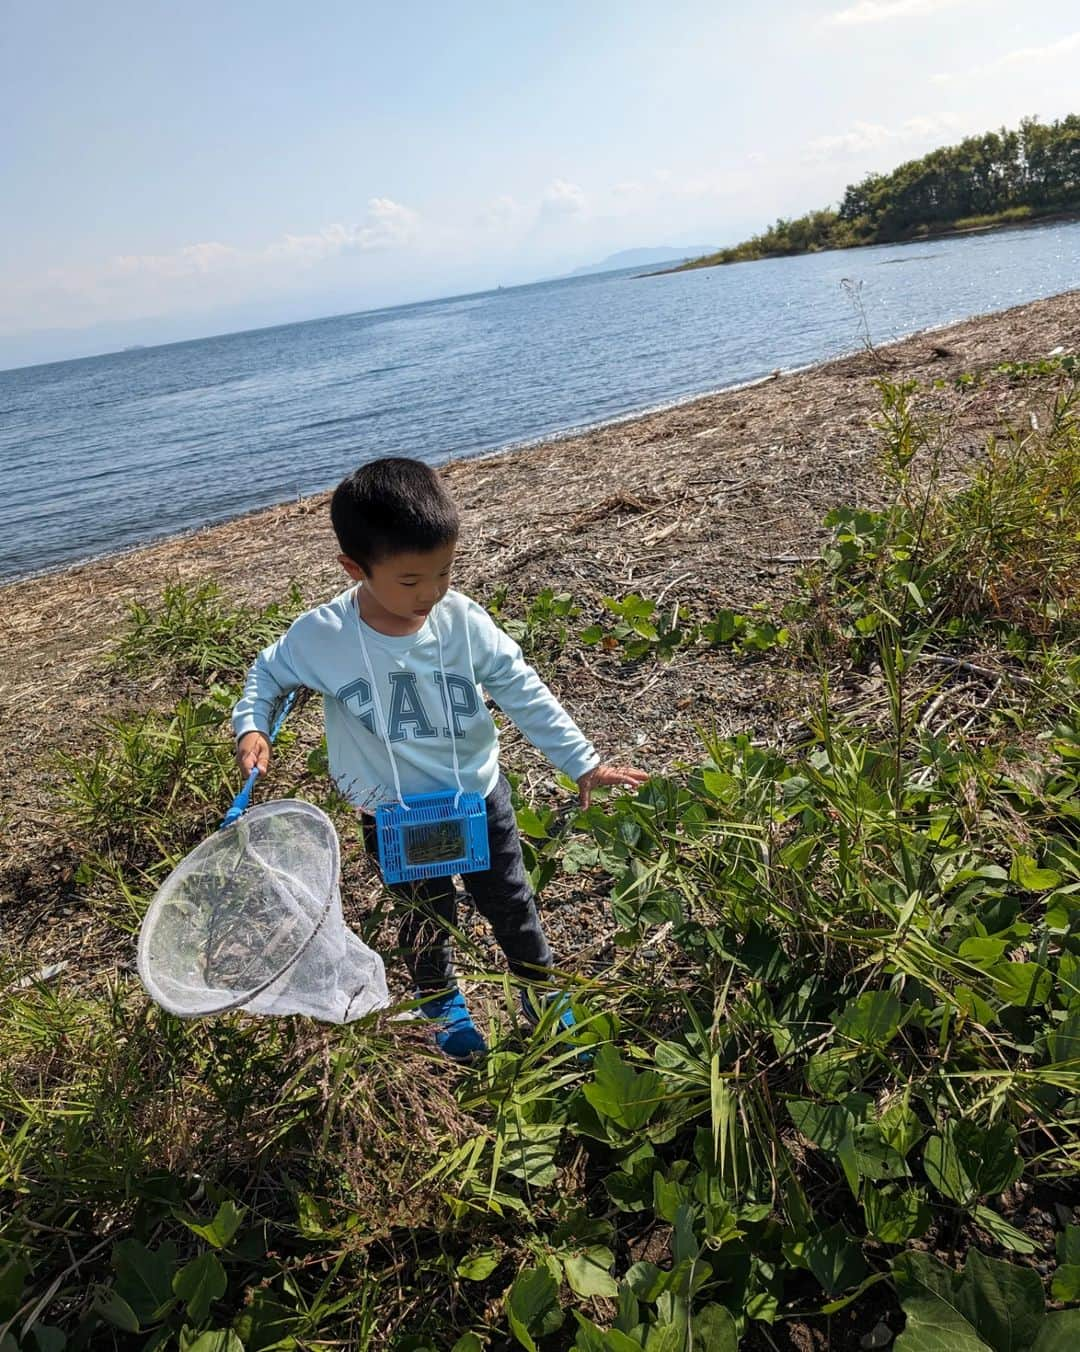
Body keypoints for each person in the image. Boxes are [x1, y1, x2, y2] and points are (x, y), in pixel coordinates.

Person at [232, 456, 647, 1060]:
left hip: (476, 798)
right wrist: (253, 726)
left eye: (444, 573)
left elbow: (520, 686)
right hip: (393, 812)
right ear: (355, 568)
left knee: (512, 902)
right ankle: (439, 1002)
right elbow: (267, 675)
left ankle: (539, 988)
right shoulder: (323, 637)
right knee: (425, 916)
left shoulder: (461, 622)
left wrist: (582, 761)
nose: (430, 594)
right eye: (409, 582)